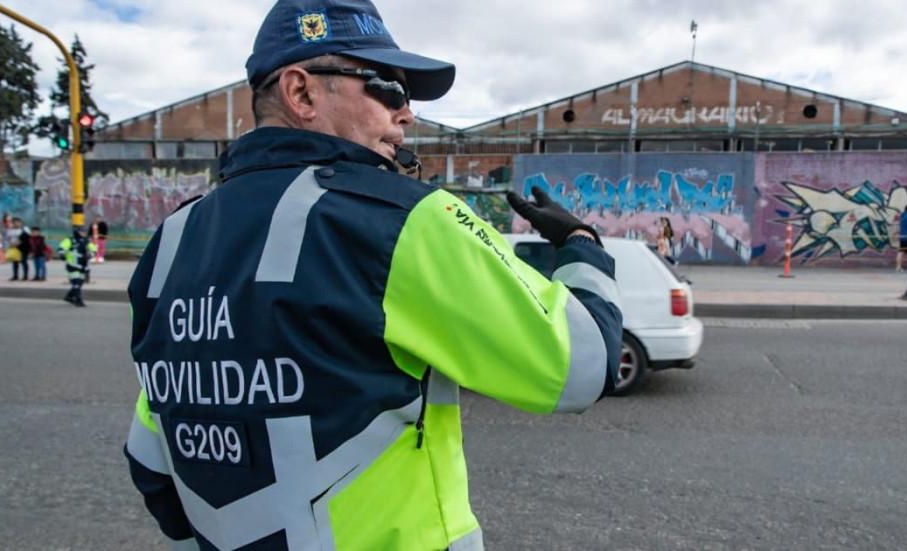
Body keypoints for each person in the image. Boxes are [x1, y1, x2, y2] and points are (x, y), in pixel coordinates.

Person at [121, 2, 621, 550]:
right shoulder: (404, 219)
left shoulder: (173, 238)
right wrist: (582, 246)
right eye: (386, 87)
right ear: (302, 92)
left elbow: (151, 457)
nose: (406, 113)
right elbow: (579, 366)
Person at [58, 228, 96, 306]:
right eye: (81, 232)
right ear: (77, 232)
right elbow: (61, 248)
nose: (83, 233)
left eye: (84, 232)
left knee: (80, 283)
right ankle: (78, 300)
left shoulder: (86, 241)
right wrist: (62, 254)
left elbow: (93, 249)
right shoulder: (70, 240)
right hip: (72, 265)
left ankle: (69, 296)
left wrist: (90, 254)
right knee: (76, 283)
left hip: (83, 266)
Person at [895, 204, 907, 272]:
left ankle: (899, 267)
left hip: (904, 236)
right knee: (902, 252)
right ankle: (898, 267)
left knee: (902, 252)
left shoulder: (903, 215)